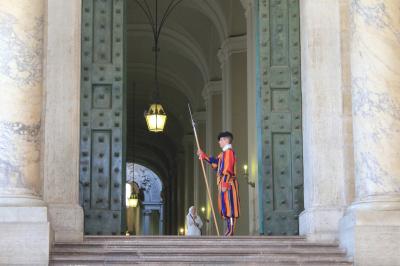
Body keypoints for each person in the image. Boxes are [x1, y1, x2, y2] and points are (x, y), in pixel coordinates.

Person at [197, 131, 240, 236]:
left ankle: (230, 230)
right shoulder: (223, 154)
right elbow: (216, 163)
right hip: (223, 183)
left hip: (228, 183)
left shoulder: (229, 153)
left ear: (226, 140)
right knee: (225, 207)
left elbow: (228, 169)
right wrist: (204, 156)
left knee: (230, 207)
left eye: (220, 140)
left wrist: (225, 183)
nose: (219, 142)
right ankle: (228, 229)